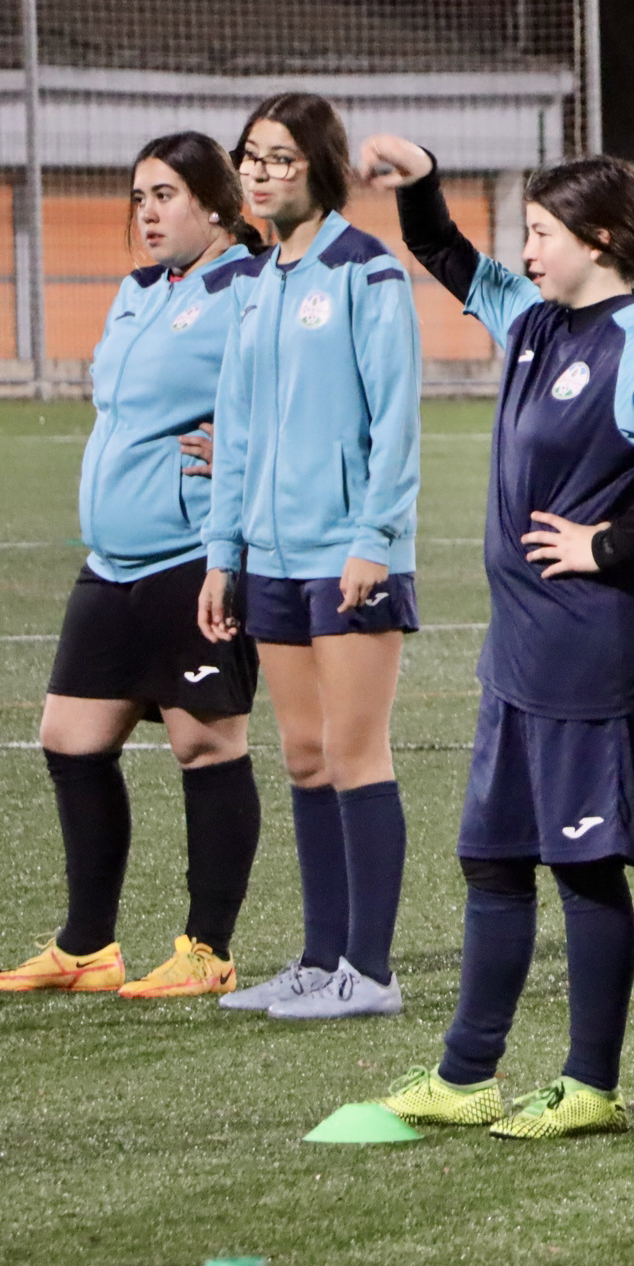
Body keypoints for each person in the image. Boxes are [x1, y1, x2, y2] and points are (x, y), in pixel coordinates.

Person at [358, 135, 634, 1140]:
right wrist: (421, 177)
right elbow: (438, 246)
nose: (525, 251)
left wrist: (611, 542)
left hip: (591, 647)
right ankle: (468, 1073)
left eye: (542, 233)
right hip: (520, 651)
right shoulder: (532, 316)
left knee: (585, 867)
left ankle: (590, 1083)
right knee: (493, 858)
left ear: (598, 240)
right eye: (524, 231)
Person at [0, 133, 267, 1000]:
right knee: (70, 739)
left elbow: (305, 387)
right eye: (138, 196)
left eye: (166, 194)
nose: (146, 212)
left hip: (194, 554)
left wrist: (256, 451)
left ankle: (206, 949)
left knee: (205, 745)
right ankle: (87, 947)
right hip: (112, 562)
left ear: (217, 205)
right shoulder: (138, 292)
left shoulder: (251, 288)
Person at [198, 93, 421, 1021]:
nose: (258, 173)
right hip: (273, 558)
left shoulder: (369, 273)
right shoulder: (253, 284)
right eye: (251, 156)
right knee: (301, 754)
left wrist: (374, 540)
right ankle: (319, 957)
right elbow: (237, 432)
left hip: (349, 556)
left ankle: (369, 973)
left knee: (354, 749)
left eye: (280, 159)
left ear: (320, 169)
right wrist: (223, 554)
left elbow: (396, 421)